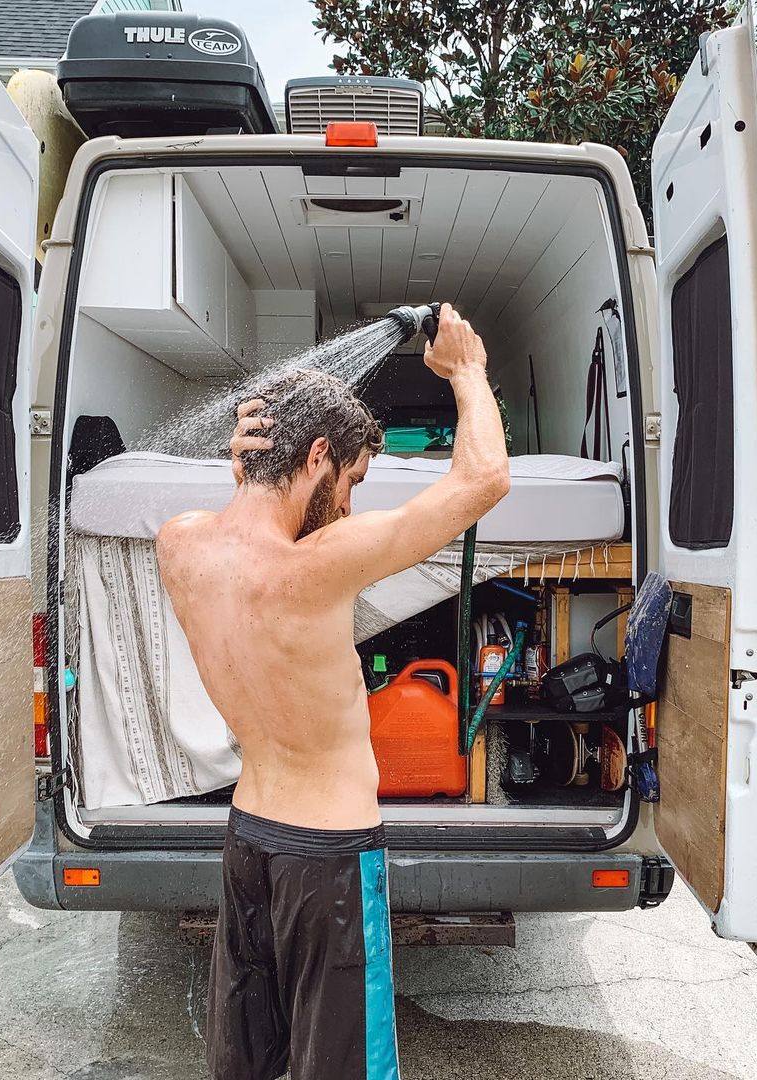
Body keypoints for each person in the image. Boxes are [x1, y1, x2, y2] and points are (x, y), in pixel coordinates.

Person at [156, 303, 509, 1080]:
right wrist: (468, 370)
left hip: (248, 838)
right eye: (351, 479)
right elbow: (484, 478)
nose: (349, 504)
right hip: (330, 862)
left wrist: (248, 474)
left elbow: (244, 518)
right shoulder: (321, 566)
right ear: (317, 455)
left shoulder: (179, 543)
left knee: (244, 1061)